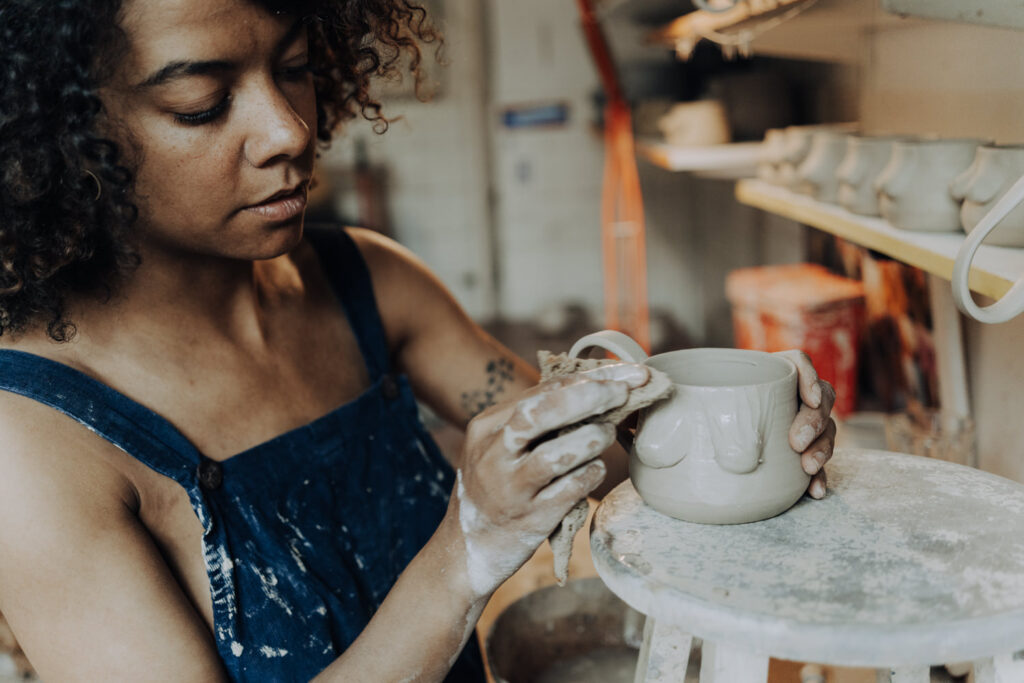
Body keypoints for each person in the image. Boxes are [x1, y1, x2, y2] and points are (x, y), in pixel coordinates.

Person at [0, 0, 837, 680]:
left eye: (294, 69)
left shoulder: (369, 281)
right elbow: (479, 532)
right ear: (65, 133)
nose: (290, 130)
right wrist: (464, 553)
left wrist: (742, 436)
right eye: (203, 105)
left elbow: (580, 455)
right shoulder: (34, 444)